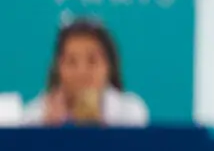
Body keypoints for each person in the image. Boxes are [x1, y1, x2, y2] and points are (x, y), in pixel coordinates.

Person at [20, 20, 149, 127]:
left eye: (92, 61)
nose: (81, 72)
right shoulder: (35, 114)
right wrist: (48, 128)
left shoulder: (130, 110)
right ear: (58, 68)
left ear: (108, 66)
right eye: (71, 62)